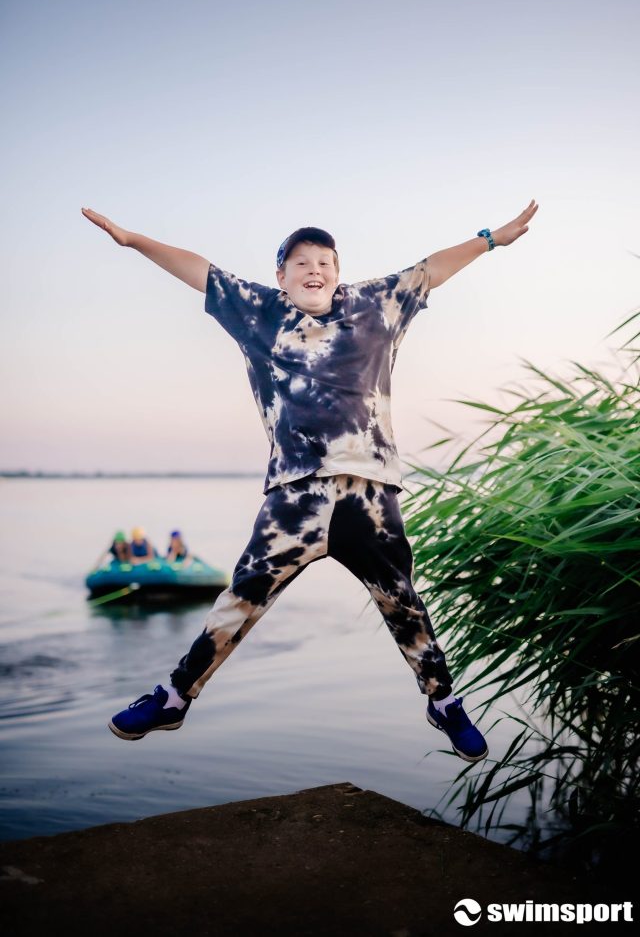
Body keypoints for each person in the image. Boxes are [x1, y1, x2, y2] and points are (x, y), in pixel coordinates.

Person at [81, 201, 538, 762]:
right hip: (294, 497)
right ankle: (175, 697)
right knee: (240, 600)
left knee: (403, 604)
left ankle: (442, 702)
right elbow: (198, 269)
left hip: (369, 495)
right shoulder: (258, 311)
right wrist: (133, 240)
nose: (313, 269)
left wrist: (490, 239)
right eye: (301, 263)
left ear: (337, 272)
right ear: (282, 276)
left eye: (324, 261)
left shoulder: (375, 304)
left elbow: (432, 268)